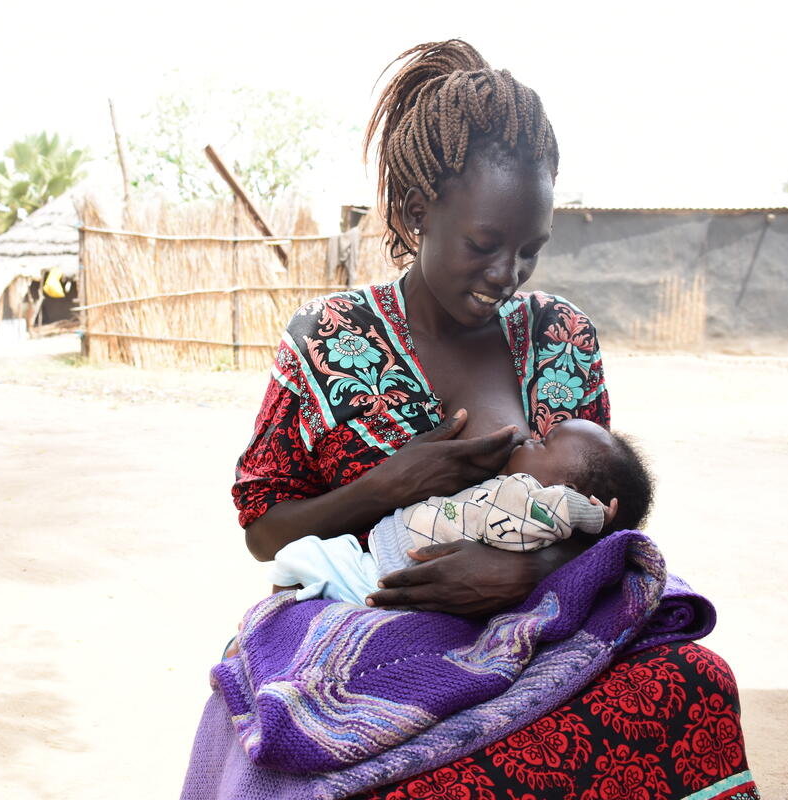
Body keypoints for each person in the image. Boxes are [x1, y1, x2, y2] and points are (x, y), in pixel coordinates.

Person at [231, 40, 758, 799]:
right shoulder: (331, 340)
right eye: (484, 245)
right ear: (417, 213)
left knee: (697, 680)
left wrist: (531, 573)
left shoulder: (561, 339)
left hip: (543, 642)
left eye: (529, 251)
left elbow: (608, 515)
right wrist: (390, 483)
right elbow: (263, 531)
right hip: (383, 649)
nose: (506, 275)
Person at [268, 418, 652, 604]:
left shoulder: (531, 505)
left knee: (296, 558)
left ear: (565, 494)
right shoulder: (515, 497)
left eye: (543, 443)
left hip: (383, 578)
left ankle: (267, 623)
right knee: (306, 569)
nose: (527, 438)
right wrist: (381, 486)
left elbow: (569, 515)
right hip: (380, 566)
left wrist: (593, 516)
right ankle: (275, 620)